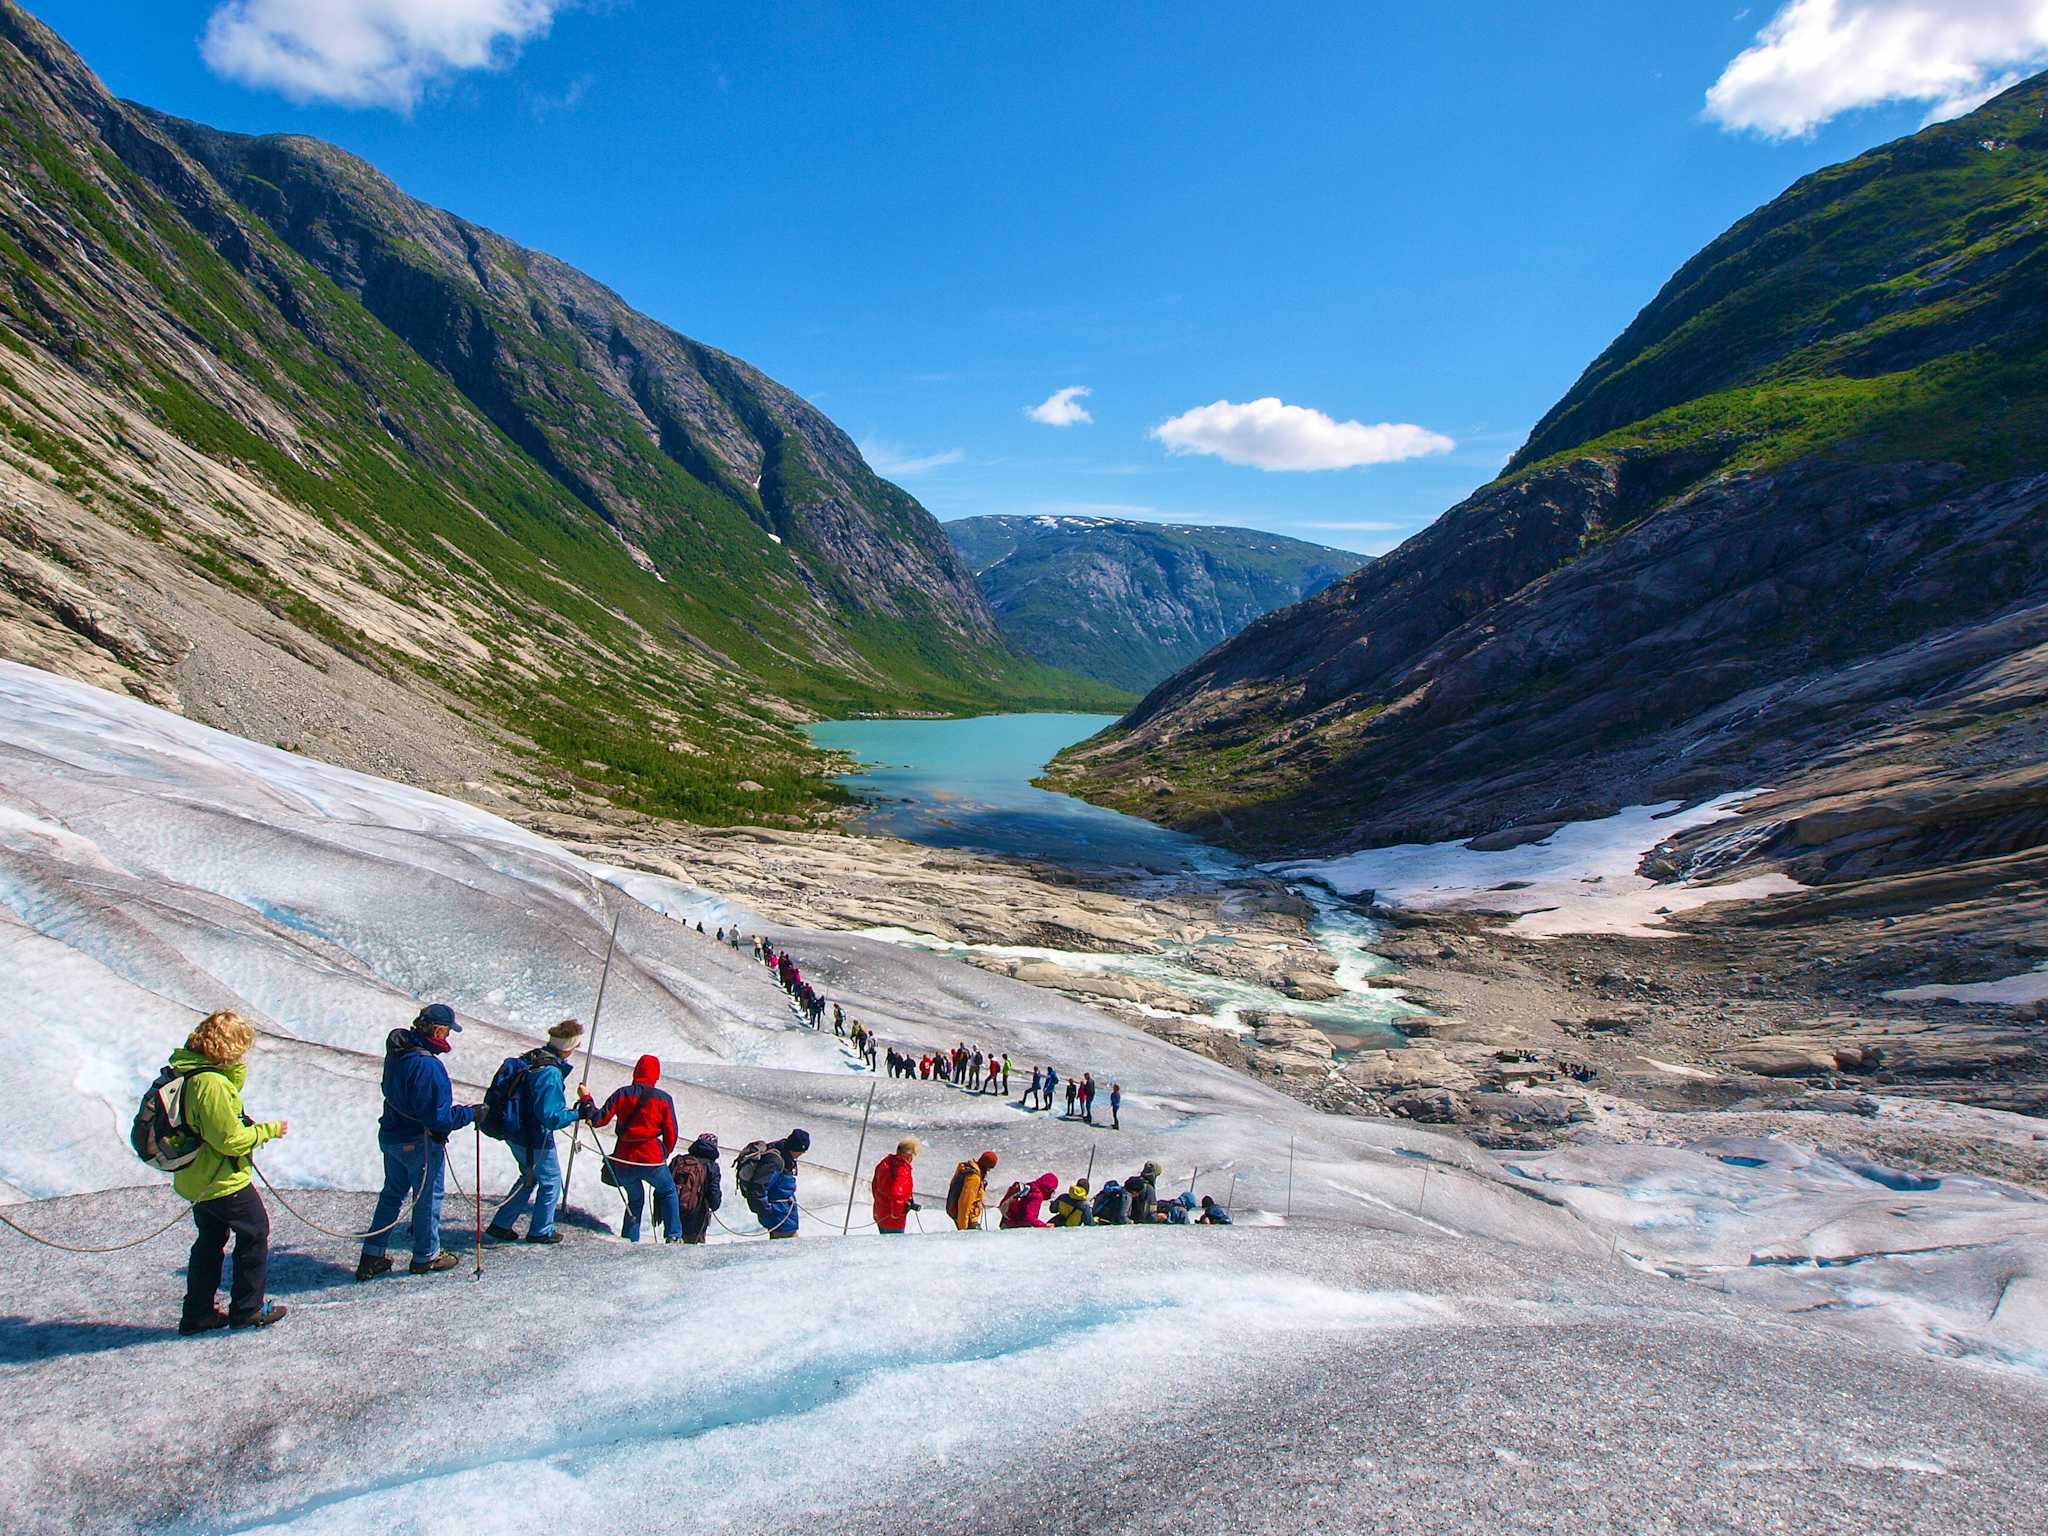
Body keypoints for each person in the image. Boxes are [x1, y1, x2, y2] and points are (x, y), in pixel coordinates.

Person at [168, 1011, 288, 1333]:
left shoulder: (190, 1071)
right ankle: (247, 1310)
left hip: (197, 1179)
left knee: (209, 1240)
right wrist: (269, 1130)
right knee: (255, 1233)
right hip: (220, 1180)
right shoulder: (212, 1084)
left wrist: (233, 1072)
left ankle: (198, 1313)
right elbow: (231, 1140)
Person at [357, 1002, 475, 1283]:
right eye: (447, 1032)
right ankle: (426, 1255)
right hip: (418, 1141)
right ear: (437, 1029)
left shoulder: (398, 1052)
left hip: (391, 1135)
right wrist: (471, 1113)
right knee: (426, 1197)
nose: (447, 1038)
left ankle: (373, 1254)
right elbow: (439, 1118)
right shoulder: (428, 1066)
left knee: (392, 1195)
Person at [485, 1020, 592, 1246]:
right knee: (551, 1181)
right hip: (535, 1137)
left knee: (529, 1177)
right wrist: (577, 1113)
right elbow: (551, 1117)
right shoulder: (550, 1072)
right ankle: (541, 1231)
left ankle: (501, 1224)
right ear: (569, 1045)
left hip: (515, 1131)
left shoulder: (532, 1058)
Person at [591, 1054, 681, 1243]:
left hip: (625, 1159)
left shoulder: (622, 1094)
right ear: (656, 1075)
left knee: (635, 1199)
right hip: (652, 1158)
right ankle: (673, 1235)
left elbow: (599, 1120)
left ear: (636, 1071)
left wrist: (586, 1100)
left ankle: (630, 1238)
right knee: (667, 1191)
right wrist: (664, 1151)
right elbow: (672, 1133)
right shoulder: (664, 1099)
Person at [740, 1129, 809, 1238]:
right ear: (796, 1148)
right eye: (801, 1151)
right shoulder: (775, 1161)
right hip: (779, 1216)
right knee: (788, 1250)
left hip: (783, 1214)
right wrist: (768, 1211)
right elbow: (757, 1188)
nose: (801, 1155)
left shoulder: (784, 1156)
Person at [668, 1132, 722, 1244]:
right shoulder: (712, 1166)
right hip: (697, 1216)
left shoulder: (679, 1161)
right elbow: (714, 1196)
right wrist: (714, 1205)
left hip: (673, 1212)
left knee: (672, 1245)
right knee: (693, 1251)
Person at [872, 1136, 920, 1235]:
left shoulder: (884, 1163)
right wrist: (896, 1214)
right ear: (908, 1155)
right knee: (895, 1248)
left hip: (880, 1214)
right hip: (893, 1221)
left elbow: (874, 1186)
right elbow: (897, 1193)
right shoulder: (902, 1169)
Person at [946, 1150, 999, 1230]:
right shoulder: (974, 1178)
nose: (989, 1171)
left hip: (964, 1216)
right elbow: (964, 1203)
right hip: (968, 1220)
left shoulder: (967, 1170)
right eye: (990, 1168)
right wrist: (963, 1229)